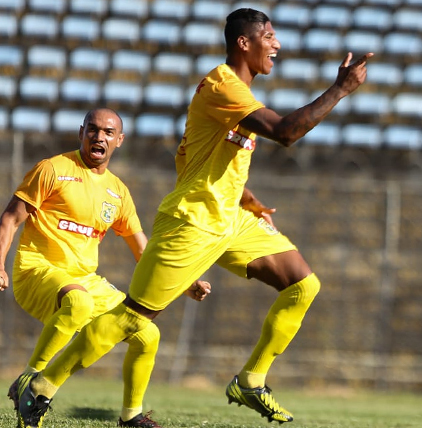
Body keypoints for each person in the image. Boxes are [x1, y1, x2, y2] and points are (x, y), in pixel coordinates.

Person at [14, 8, 372, 427]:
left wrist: (244, 197)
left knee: (303, 284)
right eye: (270, 36)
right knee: (132, 319)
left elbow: (193, 162)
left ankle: (251, 380)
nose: (277, 45)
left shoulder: (237, 96)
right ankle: (41, 387)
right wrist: (340, 89)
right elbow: (286, 132)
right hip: (193, 222)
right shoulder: (222, 86)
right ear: (244, 43)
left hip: (229, 219)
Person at [0, 108, 212, 428]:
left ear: (119, 140)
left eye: (108, 132)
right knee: (79, 302)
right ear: (81, 132)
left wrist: (185, 281)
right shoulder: (53, 169)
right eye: (93, 129)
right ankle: (31, 381)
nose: (99, 137)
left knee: (147, 334)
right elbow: (10, 218)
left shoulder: (118, 191)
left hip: (85, 279)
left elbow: (143, 250)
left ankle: (131, 416)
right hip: (37, 270)